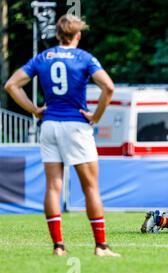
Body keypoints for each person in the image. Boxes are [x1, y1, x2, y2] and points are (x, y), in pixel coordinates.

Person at [4, 15, 119, 256]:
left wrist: (34, 110)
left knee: (53, 187)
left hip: (49, 125)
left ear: (57, 35)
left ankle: (58, 246)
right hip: (76, 126)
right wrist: (96, 115)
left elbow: (11, 85)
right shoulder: (85, 58)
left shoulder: (43, 58)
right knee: (90, 188)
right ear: (78, 35)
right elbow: (108, 87)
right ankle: (100, 246)